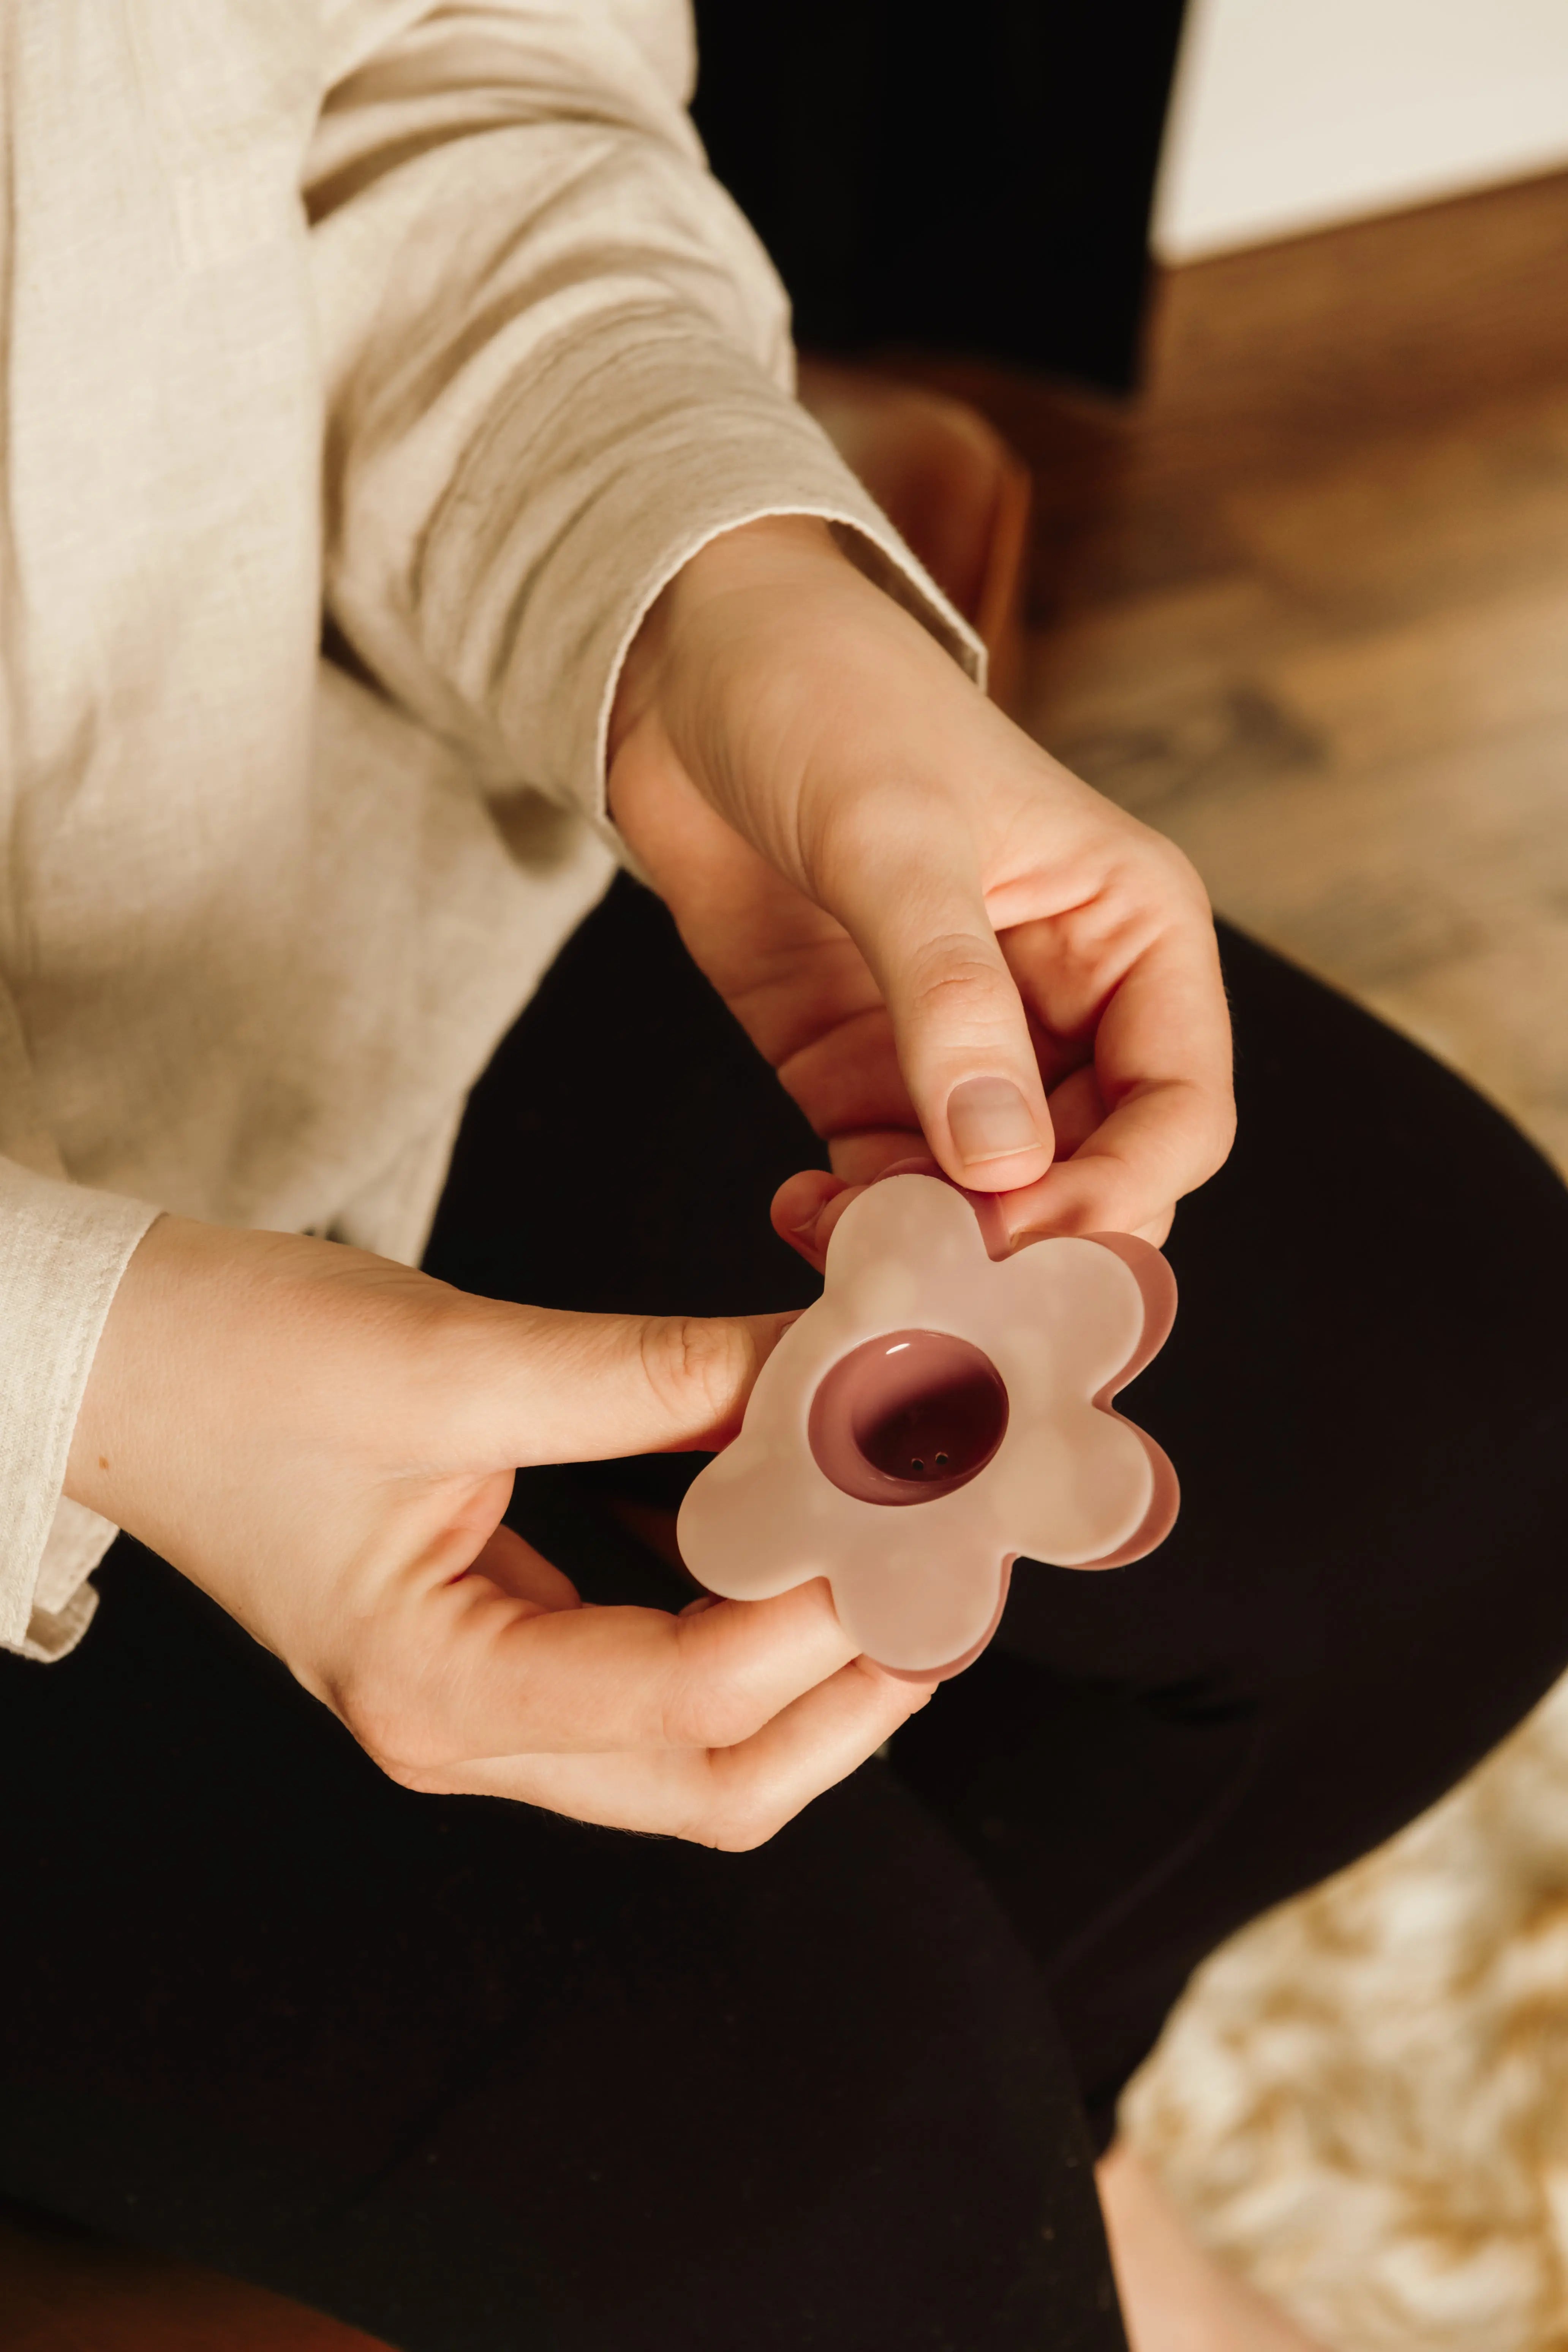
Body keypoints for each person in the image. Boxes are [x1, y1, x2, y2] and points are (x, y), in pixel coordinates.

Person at [3, 7, 1566, 2349]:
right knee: (831, 2173)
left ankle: (1059, 2128)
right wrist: (79, 1365)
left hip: (279, 862)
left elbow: (446, 72)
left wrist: (715, 587)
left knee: (1469, 1425)